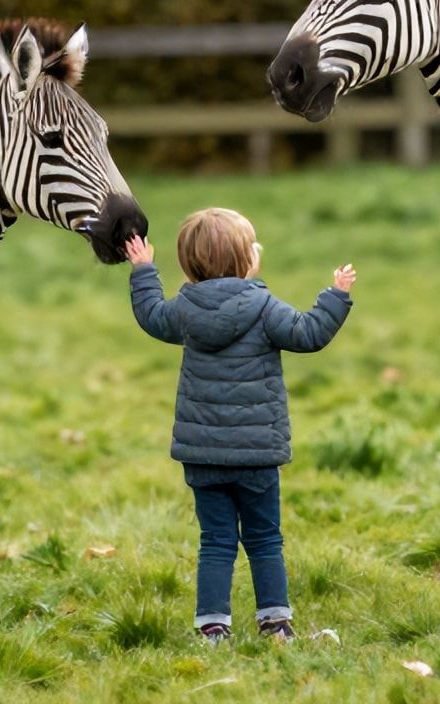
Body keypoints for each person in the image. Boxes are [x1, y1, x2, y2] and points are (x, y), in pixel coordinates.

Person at [124, 207, 355, 643]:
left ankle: (212, 626)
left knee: (215, 539)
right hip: (257, 453)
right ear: (246, 260)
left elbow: (152, 315)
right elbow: (308, 334)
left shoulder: (185, 310)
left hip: (203, 455)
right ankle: (275, 623)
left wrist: (143, 270)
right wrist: (335, 296)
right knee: (265, 538)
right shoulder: (263, 307)